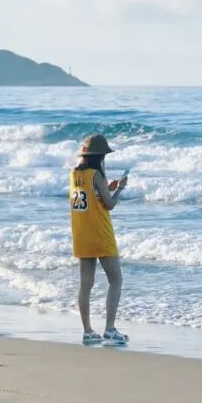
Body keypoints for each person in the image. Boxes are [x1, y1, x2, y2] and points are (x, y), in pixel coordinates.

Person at [70, 134, 129, 345]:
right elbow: (109, 204)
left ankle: (87, 331)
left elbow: (92, 195)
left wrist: (108, 187)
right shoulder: (97, 174)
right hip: (100, 232)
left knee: (85, 284)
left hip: (81, 233)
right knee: (115, 280)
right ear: (100, 156)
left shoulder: (75, 174)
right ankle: (110, 329)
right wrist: (120, 189)